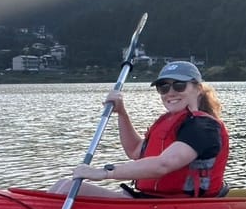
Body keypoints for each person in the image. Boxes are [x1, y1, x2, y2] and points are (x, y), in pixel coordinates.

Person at [50, 60, 229, 198]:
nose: (170, 92)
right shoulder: (171, 123)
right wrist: (121, 113)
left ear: (198, 89)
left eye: (179, 85)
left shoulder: (203, 127)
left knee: (67, 189)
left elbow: (163, 164)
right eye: (163, 87)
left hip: (181, 207)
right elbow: (135, 151)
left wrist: (103, 172)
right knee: (62, 184)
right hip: (151, 200)